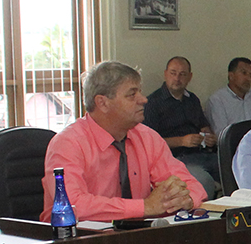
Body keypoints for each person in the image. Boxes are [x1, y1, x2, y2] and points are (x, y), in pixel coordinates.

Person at [41, 61, 204, 222]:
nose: (143, 99)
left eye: (140, 92)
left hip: (137, 234)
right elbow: (72, 204)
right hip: (80, 236)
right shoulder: (68, 143)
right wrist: (145, 207)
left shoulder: (147, 137)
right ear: (102, 103)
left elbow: (192, 186)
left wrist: (185, 200)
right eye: (132, 95)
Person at [142, 56, 219, 197]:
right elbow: (149, 144)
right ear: (165, 74)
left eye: (182, 74)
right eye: (173, 73)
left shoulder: (192, 99)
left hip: (201, 154)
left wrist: (208, 136)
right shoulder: (152, 103)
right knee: (203, 181)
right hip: (174, 159)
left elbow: (203, 126)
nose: (177, 78)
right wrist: (182, 141)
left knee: (232, 168)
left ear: (190, 77)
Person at [206, 56, 251, 137]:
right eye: (244, 73)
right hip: (233, 143)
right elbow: (221, 135)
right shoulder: (218, 100)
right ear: (231, 76)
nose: (249, 79)